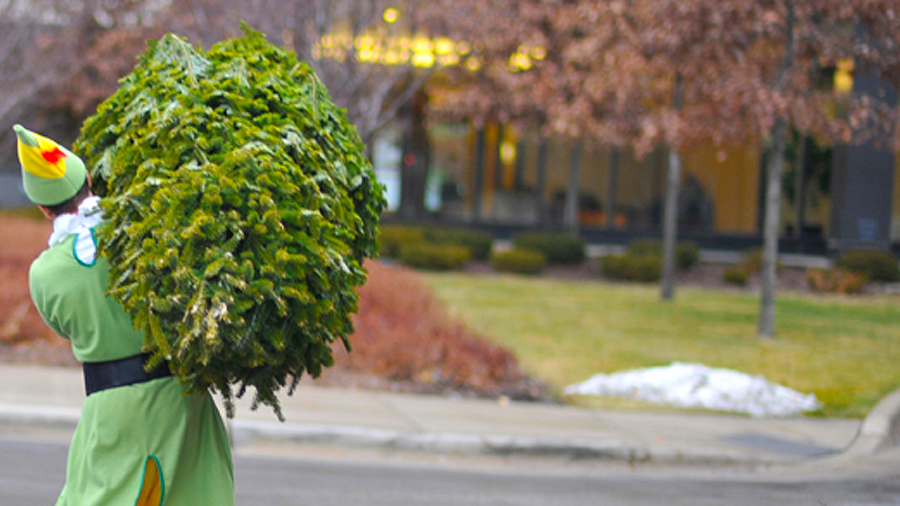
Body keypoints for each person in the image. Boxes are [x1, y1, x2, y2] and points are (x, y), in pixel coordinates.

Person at [14, 124, 235, 506]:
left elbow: (64, 325)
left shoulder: (45, 273)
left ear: (42, 207)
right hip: (181, 397)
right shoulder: (143, 234)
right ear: (88, 180)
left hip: (114, 410)